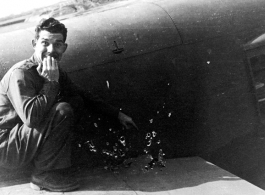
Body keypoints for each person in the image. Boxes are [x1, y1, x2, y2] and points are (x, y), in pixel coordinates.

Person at [0, 18, 138, 192]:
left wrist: (117, 114)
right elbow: (31, 118)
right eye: (45, 43)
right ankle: (42, 175)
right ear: (34, 44)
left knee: (75, 102)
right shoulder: (21, 73)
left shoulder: (54, 70)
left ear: (64, 48)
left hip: (20, 141)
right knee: (62, 110)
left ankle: (54, 164)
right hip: (5, 147)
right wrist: (51, 83)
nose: (51, 50)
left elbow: (81, 94)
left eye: (58, 44)